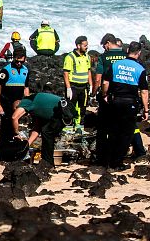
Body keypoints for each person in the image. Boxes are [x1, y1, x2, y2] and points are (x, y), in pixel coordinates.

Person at [101, 41, 149, 171]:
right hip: (130, 103)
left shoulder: (116, 64)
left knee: (113, 131)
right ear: (138, 53)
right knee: (126, 133)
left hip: (115, 101)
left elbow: (105, 82)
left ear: (127, 50)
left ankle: (108, 160)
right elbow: (144, 91)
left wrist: (104, 94)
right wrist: (146, 109)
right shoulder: (140, 69)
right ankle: (117, 162)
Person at [11, 93, 75, 165]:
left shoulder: (26, 101)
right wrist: (26, 145)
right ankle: (47, 161)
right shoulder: (36, 109)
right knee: (46, 131)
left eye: (16, 109)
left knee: (47, 132)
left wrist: (16, 133)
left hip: (64, 108)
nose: (24, 116)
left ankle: (47, 163)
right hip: (64, 109)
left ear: (18, 105)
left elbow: (14, 117)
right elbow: (36, 130)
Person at [93, 33, 127, 165]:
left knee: (103, 128)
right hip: (123, 95)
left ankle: (102, 158)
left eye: (104, 46)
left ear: (108, 43)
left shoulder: (104, 57)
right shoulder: (125, 55)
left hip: (107, 96)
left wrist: (95, 93)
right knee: (119, 128)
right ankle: (117, 158)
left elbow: (98, 78)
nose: (104, 48)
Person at [0, 48, 31, 139]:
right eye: (17, 61)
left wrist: (28, 102)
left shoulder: (25, 70)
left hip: (18, 103)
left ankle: (13, 142)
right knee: (6, 126)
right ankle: (4, 144)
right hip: (6, 103)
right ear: (14, 58)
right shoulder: (6, 70)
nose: (19, 63)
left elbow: (26, 87)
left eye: (21, 61)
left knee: (16, 123)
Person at [62, 36, 92, 131]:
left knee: (82, 107)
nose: (87, 47)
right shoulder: (70, 57)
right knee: (71, 107)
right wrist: (68, 88)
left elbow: (89, 72)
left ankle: (80, 126)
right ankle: (69, 126)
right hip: (73, 86)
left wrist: (91, 85)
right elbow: (66, 73)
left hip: (83, 87)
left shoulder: (87, 57)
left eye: (87, 45)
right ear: (78, 46)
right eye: (85, 45)